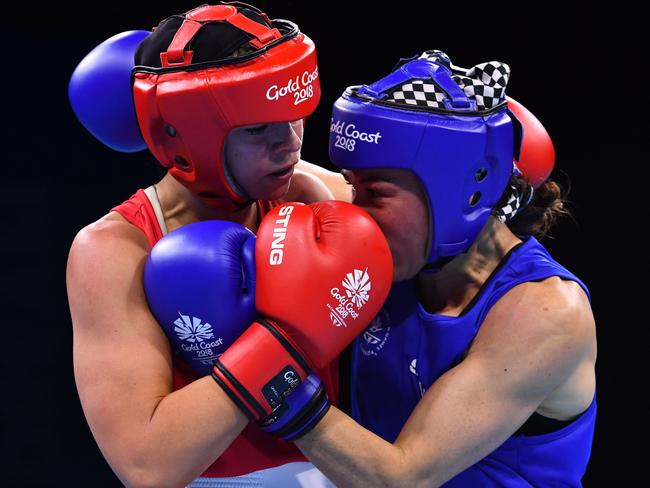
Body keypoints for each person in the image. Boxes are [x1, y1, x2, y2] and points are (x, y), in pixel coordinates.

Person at [273, 50, 596, 486]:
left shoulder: (546, 313)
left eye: (374, 191)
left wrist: (269, 377)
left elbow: (402, 478)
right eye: (352, 184)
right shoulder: (401, 234)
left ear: (458, 194)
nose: (355, 214)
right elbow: (280, 174)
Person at [65, 2, 353, 486]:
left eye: (293, 115)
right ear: (189, 136)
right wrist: (289, 335)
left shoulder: (316, 198)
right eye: (258, 128)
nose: (289, 144)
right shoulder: (116, 252)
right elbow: (147, 466)